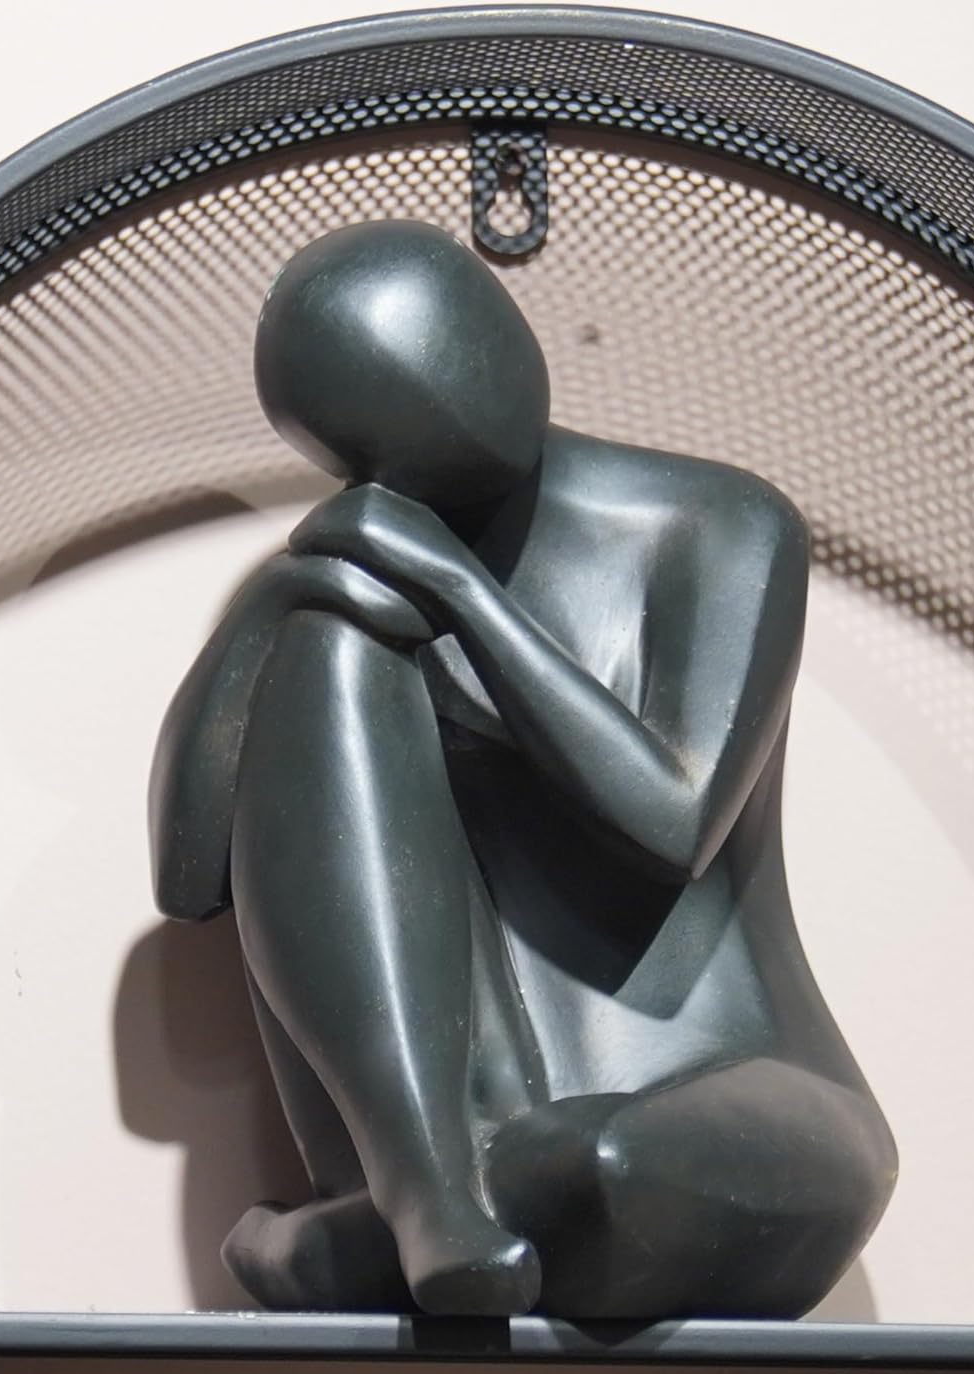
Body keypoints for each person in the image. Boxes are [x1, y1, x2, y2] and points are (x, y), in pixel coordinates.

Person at [149, 220, 896, 1318]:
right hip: (468, 1134)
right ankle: (424, 1190)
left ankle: (339, 1248)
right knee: (328, 642)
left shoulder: (719, 525)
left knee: (607, 1174)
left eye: (457, 353)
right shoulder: (358, 598)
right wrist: (273, 601)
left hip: (737, 1089)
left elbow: (675, 819)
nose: (454, 406)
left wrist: (464, 595)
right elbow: (185, 880)